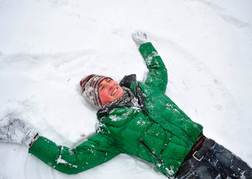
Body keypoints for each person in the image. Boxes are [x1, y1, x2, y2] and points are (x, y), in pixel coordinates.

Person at [0, 32, 251, 179]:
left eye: (108, 79)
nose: (110, 84)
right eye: (102, 88)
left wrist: (146, 46)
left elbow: (158, 70)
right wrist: (31, 140)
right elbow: (74, 161)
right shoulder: (112, 132)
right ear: (99, 102)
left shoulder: (147, 90)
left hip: (213, 148)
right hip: (190, 172)